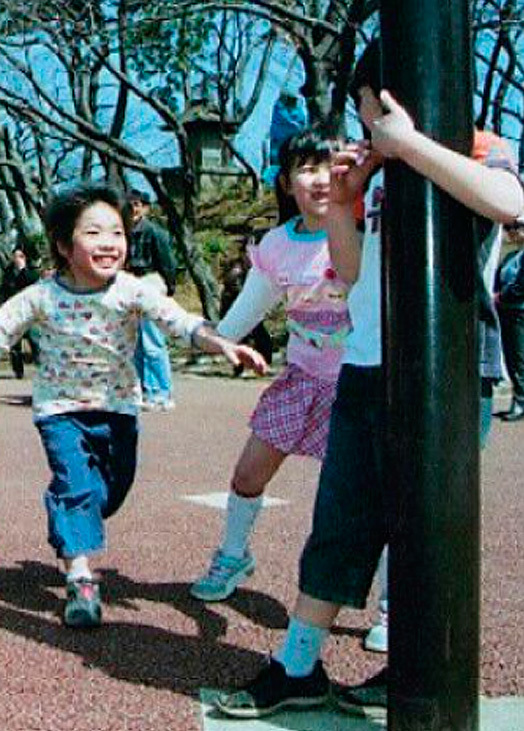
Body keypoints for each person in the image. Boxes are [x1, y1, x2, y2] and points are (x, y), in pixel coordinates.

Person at [214, 42, 524, 720]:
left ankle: (416, 663)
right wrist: (345, 201)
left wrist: (410, 146)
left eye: (368, 114)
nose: (363, 132)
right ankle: (298, 662)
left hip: (451, 368)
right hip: (364, 363)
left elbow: (507, 202)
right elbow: (351, 271)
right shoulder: (375, 171)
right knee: (341, 519)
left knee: (428, 527)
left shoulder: (476, 146)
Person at [0, 181, 265, 627]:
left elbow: (176, 320)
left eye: (117, 233)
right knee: (76, 486)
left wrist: (217, 342)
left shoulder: (132, 290)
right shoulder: (42, 295)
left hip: (119, 408)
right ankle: (81, 578)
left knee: (110, 493)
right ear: (64, 246)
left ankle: (67, 516)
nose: (110, 244)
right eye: (94, 233)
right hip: (61, 411)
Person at [189, 129, 352, 603]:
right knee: (247, 476)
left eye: (329, 166)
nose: (319, 180)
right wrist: (202, 336)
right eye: (306, 168)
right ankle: (233, 554)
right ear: (286, 183)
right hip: (301, 380)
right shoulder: (277, 245)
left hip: (360, 385)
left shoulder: (365, 232)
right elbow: (240, 318)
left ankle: (388, 602)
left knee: (364, 498)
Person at [126, 190, 179, 411]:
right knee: (135, 343)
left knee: (153, 342)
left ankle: (162, 392)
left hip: (150, 282)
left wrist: (169, 287)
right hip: (130, 284)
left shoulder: (155, 233)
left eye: (137, 204)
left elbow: (167, 262)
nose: (133, 210)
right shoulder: (124, 233)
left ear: (146, 207)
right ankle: (141, 390)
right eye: (129, 205)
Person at [495, 226, 524, 421]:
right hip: (508, 312)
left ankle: (521, 401)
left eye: (516, 228)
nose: (511, 233)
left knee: (519, 359)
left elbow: (520, 285)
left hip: (519, 310)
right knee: (514, 358)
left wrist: (501, 296)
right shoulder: (512, 256)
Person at [0, 248, 40, 378]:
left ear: (25, 258)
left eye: (20, 256)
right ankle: (18, 371)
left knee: (35, 340)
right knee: (15, 346)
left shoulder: (31, 273)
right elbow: (3, 292)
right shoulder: (8, 274)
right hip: (13, 315)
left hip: (29, 314)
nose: (17, 259)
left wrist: (23, 270)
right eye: (15, 256)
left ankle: (42, 367)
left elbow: (33, 286)